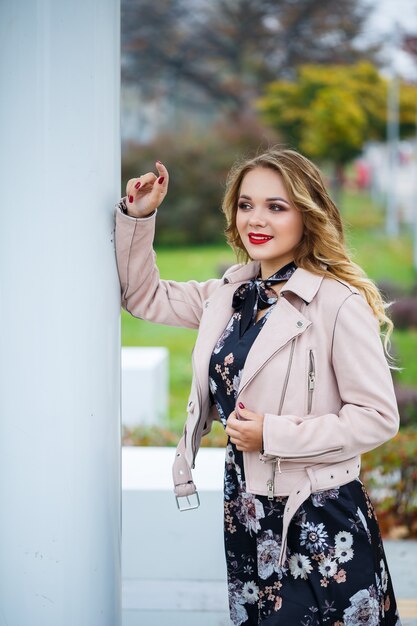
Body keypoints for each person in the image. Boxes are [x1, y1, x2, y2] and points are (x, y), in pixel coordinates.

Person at [114, 148, 401, 626]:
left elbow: (377, 416)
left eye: (276, 206)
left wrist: (274, 434)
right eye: (246, 205)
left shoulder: (337, 303)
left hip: (318, 518)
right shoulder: (231, 295)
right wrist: (139, 218)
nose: (256, 219)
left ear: (308, 215)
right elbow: (144, 296)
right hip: (246, 509)